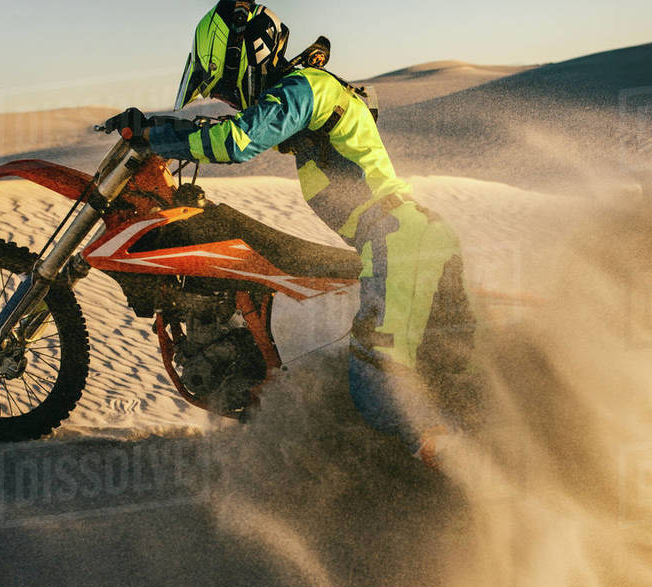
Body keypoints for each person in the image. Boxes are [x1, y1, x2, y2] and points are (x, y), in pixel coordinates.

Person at [106, 0, 475, 465]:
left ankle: (472, 479)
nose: (231, 100)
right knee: (456, 373)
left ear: (245, 58)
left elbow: (238, 139)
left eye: (223, 86)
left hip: (397, 240)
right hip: (414, 235)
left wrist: (152, 137)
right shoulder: (309, 93)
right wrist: (172, 128)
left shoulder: (307, 86)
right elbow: (244, 127)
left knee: (379, 388)